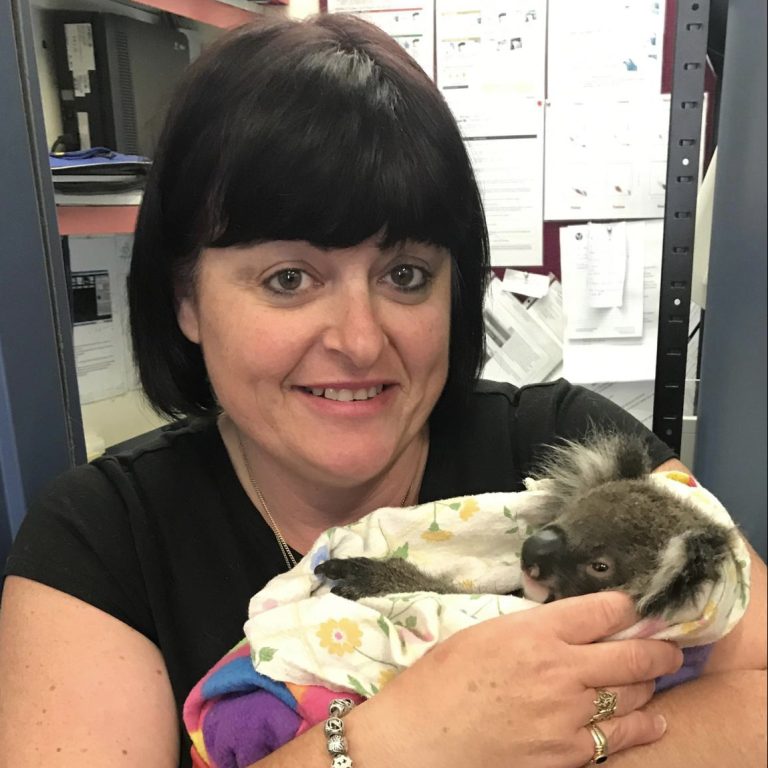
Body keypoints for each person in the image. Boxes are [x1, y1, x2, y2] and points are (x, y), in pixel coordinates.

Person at [0, 13, 764, 768]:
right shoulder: (100, 541)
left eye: (406, 275)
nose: (361, 341)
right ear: (187, 299)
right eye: (289, 279)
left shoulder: (574, 449)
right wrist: (396, 745)